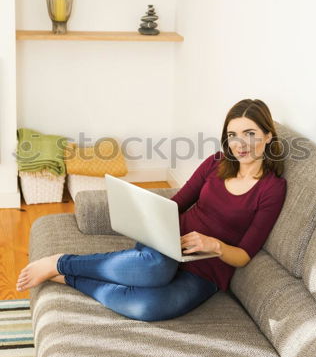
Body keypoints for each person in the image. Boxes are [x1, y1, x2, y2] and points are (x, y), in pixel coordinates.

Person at [16, 99, 287, 322]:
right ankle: (60, 261)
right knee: (155, 270)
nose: (240, 144)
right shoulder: (216, 163)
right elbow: (175, 203)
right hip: (167, 244)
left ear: (267, 135)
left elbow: (243, 255)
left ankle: (68, 277)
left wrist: (214, 245)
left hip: (206, 272)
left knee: (147, 308)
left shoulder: (272, 189)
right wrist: (147, 218)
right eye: (232, 135)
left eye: (250, 134)